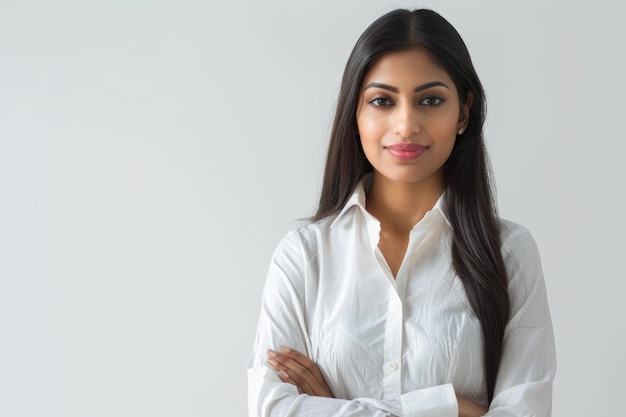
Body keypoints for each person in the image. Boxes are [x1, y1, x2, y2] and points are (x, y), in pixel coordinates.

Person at [247, 8, 556, 417]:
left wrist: (332, 408)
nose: (406, 124)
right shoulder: (303, 256)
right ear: (355, 114)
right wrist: (450, 407)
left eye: (430, 100)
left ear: (463, 112)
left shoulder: (510, 253)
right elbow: (271, 410)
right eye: (382, 101)